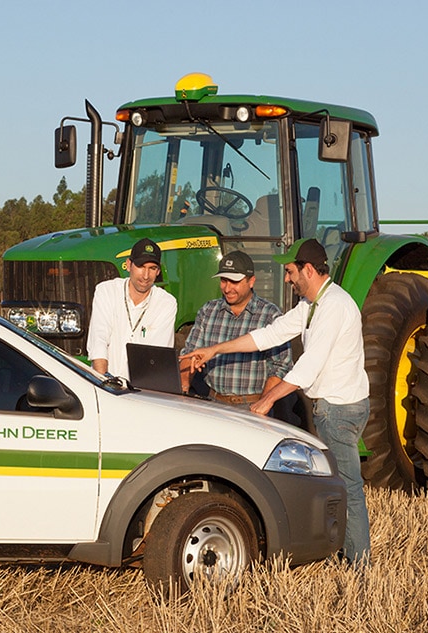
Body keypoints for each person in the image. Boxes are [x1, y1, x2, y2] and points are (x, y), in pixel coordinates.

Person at [181, 238, 371, 566]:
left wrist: (266, 400)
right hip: (330, 407)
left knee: (347, 489)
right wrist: (215, 350)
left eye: (290, 271)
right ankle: (345, 554)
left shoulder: (334, 307)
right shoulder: (311, 305)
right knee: (338, 487)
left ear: (308, 270)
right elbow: (268, 336)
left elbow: (308, 366)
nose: (287, 278)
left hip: (338, 410)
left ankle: (359, 566)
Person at [180, 250, 296, 422]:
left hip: (250, 406)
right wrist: (183, 391)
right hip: (211, 402)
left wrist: (262, 405)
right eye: (224, 280)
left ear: (251, 281)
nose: (227, 288)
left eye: (234, 281)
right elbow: (190, 353)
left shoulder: (269, 315)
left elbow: (280, 366)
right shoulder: (208, 311)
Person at [87, 238, 177, 379]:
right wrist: (103, 382)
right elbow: (99, 338)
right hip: (104, 383)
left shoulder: (166, 303)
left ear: (158, 271)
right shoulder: (106, 291)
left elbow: (156, 355)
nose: (146, 276)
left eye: (152, 268)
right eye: (141, 266)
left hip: (140, 391)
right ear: (129, 265)